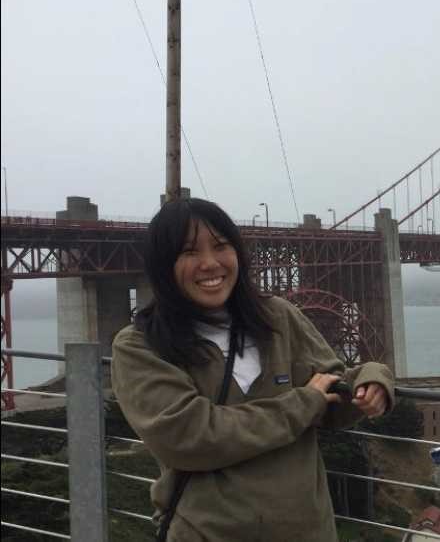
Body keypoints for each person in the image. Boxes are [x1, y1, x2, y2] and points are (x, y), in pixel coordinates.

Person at [111, 198, 394, 542]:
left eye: (220, 246)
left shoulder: (277, 316)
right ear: (162, 266)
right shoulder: (140, 346)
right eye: (189, 252)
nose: (209, 263)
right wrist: (303, 404)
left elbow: (331, 394)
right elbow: (190, 437)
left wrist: (373, 379)